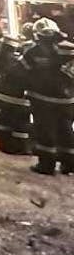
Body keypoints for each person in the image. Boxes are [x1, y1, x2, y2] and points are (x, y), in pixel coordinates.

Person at [20, 19, 74, 174]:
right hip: (67, 100)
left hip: (43, 99)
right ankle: (70, 164)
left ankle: (46, 165)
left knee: (45, 131)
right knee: (66, 130)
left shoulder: (34, 51)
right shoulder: (69, 49)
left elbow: (20, 71)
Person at [0, 28, 31, 156]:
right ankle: (21, 148)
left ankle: (4, 146)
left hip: (3, 96)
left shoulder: (3, 57)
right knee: (21, 124)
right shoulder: (23, 57)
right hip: (19, 98)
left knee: (4, 121)